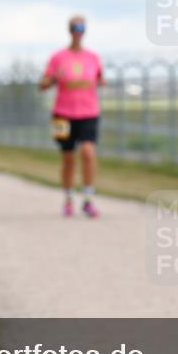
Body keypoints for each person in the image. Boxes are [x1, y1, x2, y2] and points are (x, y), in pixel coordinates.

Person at [39, 14, 104, 218]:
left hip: (88, 112)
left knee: (87, 152)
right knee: (68, 158)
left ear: (85, 31)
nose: (78, 31)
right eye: (75, 27)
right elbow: (42, 84)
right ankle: (68, 197)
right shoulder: (58, 57)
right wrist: (52, 80)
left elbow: (100, 79)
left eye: (82, 28)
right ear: (69, 30)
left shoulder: (92, 57)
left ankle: (88, 198)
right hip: (63, 114)